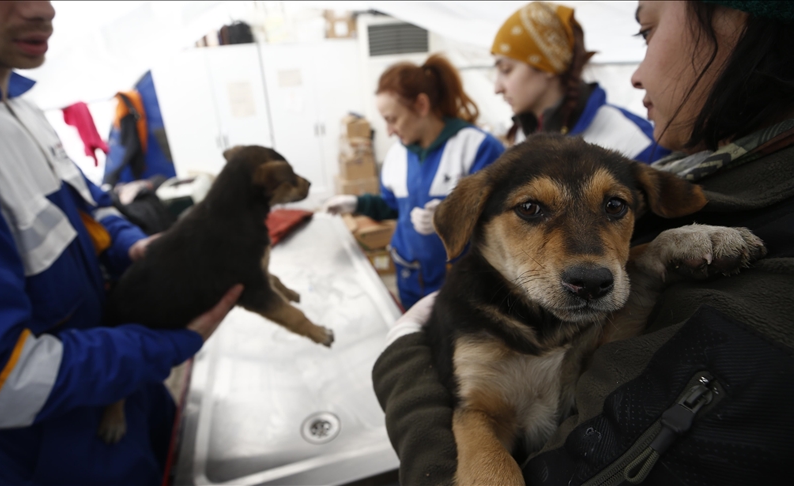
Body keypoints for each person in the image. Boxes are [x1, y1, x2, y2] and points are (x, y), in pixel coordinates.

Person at [372, 1, 793, 485]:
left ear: (740, 20)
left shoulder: (761, 284)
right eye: (532, 209)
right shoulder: (716, 172)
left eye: (647, 32)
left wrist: (401, 354)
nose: (636, 76)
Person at [0, 2, 243, 484]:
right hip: (44, 456)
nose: (42, 9)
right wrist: (167, 343)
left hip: (116, 393)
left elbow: (88, 207)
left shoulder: (20, 106)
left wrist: (134, 246)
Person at [325, 54, 505, 309]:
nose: (388, 131)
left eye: (392, 119)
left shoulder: (476, 147)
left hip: (460, 284)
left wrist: (448, 216)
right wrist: (356, 203)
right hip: (409, 276)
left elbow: (500, 219)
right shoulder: (398, 154)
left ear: (421, 105)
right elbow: (393, 206)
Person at [492, 1, 670, 163]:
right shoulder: (523, 135)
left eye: (506, 70)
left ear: (547, 65)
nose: (497, 88)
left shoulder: (632, 140)